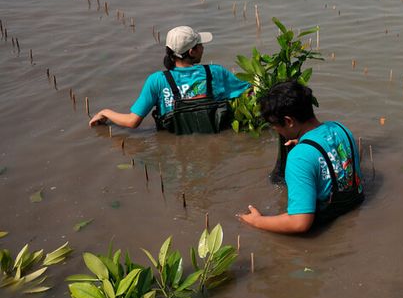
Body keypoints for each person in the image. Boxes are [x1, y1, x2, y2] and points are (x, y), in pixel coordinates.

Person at [238, 81, 363, 234]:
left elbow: (299, 223)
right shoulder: (340, 128)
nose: (275, 129)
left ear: (289, 121)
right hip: (355, 207)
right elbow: (346, 153)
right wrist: (307, 145)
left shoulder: (298, 157)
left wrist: (257, 221)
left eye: (274, 125)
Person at [88, 26, 249, 134]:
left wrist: (105, 112)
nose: (203, 48)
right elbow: (249, 92)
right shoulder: (215, 72)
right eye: (200, 45)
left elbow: (132, 122)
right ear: (192, 51)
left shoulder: (157, 81)